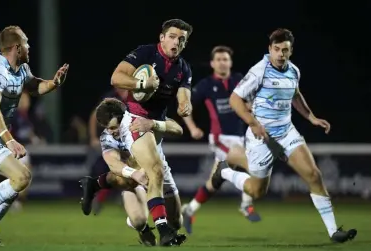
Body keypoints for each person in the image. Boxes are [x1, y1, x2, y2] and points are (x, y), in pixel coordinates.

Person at [219, 28, 356, 243]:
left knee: (314, 175)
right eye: (277, 50)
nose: (281, 54)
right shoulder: (259, 71)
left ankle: (333, 232)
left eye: (285, 50)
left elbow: (295, 94)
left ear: (290, 51)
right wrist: (253, 123)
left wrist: (310, 117)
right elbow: (235, 100)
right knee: (256, 192)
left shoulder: (293, 71)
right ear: (270, 50)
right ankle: (225, 172)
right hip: (261, 137)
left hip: (286, 133)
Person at [0, 25, 69, 245]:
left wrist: (53, 83)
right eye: (26, 42)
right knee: (22, 177)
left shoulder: (21, 70)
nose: (29, 46)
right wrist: (10, 140)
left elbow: (34, 87)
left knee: (13, 186)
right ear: (16, 47)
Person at [110, 19, 193, 246]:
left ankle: (154, 220)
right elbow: (116, 77)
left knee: (177, 220)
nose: (177, 42)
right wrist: (140, 85)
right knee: (154, 171)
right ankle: (163, 231)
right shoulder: (145, 53)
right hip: (135, 120)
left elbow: (184, 97)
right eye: (173, 37)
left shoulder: (183, 69)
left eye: (182, 39)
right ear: (162, 38)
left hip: (155, 127)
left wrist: (186, 106)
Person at [80, 98, 186, 246]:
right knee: (138, 220)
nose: (113, 132)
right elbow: (113, 164)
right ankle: (148, 230)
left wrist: (154, 124)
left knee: (176, 222)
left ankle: (95, 184)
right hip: (134, 180)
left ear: (123, 117)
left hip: (158, 172)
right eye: (108, 128)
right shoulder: (107, 136)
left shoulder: (141, 120)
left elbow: (178, 129)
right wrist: (134, 174)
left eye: (114, 127)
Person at [181, 46, 261, 234]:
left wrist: (251, 108)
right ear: (212, 63)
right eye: (218, 59)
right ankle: (246, 205)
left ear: (230, 63)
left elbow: (251, 102)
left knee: (214, 182)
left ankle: (189, 209)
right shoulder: (206, 85)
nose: (222, 62)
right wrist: (192, 127)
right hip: (220, 139)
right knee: (252, 164)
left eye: (225, 59)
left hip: (242, 138)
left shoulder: (239, 80)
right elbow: (185, 106)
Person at [87, 88, 128, 214]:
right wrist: (93, 138)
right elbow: (94, 117)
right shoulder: (110, 97)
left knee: (125, 170)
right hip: (112, 140)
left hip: (127, 139)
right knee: (117, 171)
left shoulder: (134, 96)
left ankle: (123, 197)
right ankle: (102, 198)